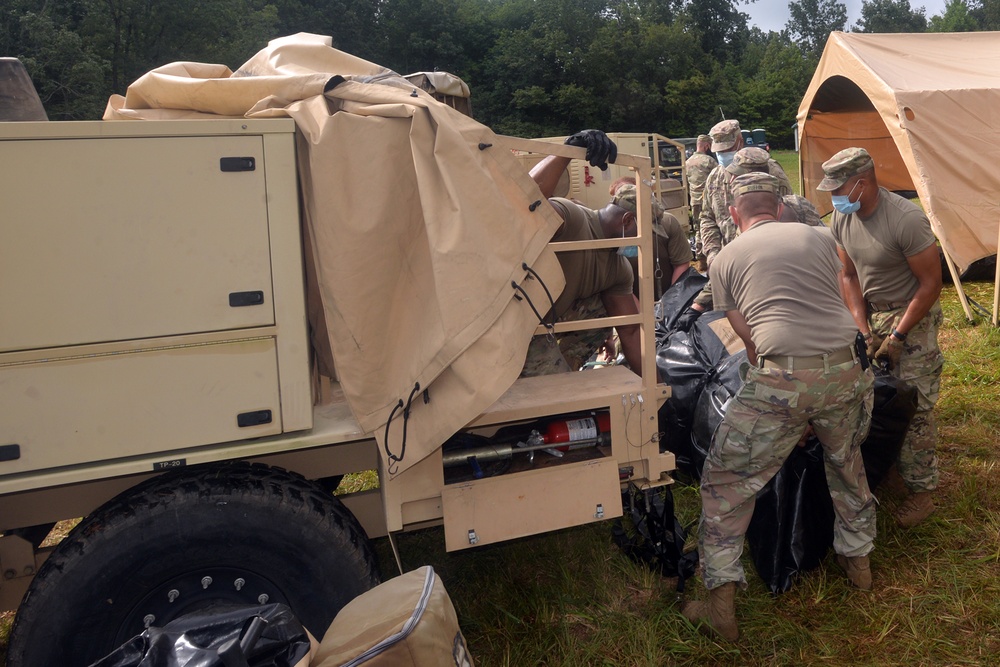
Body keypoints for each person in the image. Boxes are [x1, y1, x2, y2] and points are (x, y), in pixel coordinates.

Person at [681, 172, 877, 642]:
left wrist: (791, 400)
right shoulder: (821, 234)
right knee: (847, 464)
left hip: (783, 377)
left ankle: (720, 605)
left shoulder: (724, 257)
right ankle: (859, 563)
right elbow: (845, 285)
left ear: (733, 214)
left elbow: (748, 341)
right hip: (848, 369)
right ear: (781, 207)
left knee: (726, 484)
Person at [818, 147, 944, 528]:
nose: (833, 197)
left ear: (863, 182)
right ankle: (888, 466)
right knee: (872, 396)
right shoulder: (842, 217)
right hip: (871, 313)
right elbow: (848, 276)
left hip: (911, 312)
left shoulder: (906, 220)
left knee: (915, 400)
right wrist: (862, 329)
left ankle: (923, 491)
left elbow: (931, 283)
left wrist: (899, 335)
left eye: (838, 188)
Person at [522, 130, 644, 377]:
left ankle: (564, 369)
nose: (646, 241)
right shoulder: (575, 219)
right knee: (554, 393)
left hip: (547, 320)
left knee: (602, 309)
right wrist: (566, 152)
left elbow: (630, 331)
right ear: (628, 219)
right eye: (645, 231)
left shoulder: (618, 267)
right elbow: (525, 198)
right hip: (517, 323)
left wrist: (657, 389)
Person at [684, 121, 792, 323]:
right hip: (728, 266)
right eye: (719, 150)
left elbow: (787, 214)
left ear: (740, 141)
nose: (722, 154)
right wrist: (713, 254)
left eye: (728, 149)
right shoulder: (715, 177)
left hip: (768, 265)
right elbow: (707, 218)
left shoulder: (770, 172)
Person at [607, 178, 692, 298]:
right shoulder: (610, 231)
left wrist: (671, 300)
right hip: (627, 299)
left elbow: (681, 263)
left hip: (665, 296)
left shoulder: (666, 222)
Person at [686, 134, 718, 237]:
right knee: (711, 227)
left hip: (694, 201)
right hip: (708, 200)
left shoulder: (687, 162)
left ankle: (699, 250)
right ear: (707, 146)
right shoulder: (709, 161)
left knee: (698, 229)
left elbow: (686, 183)